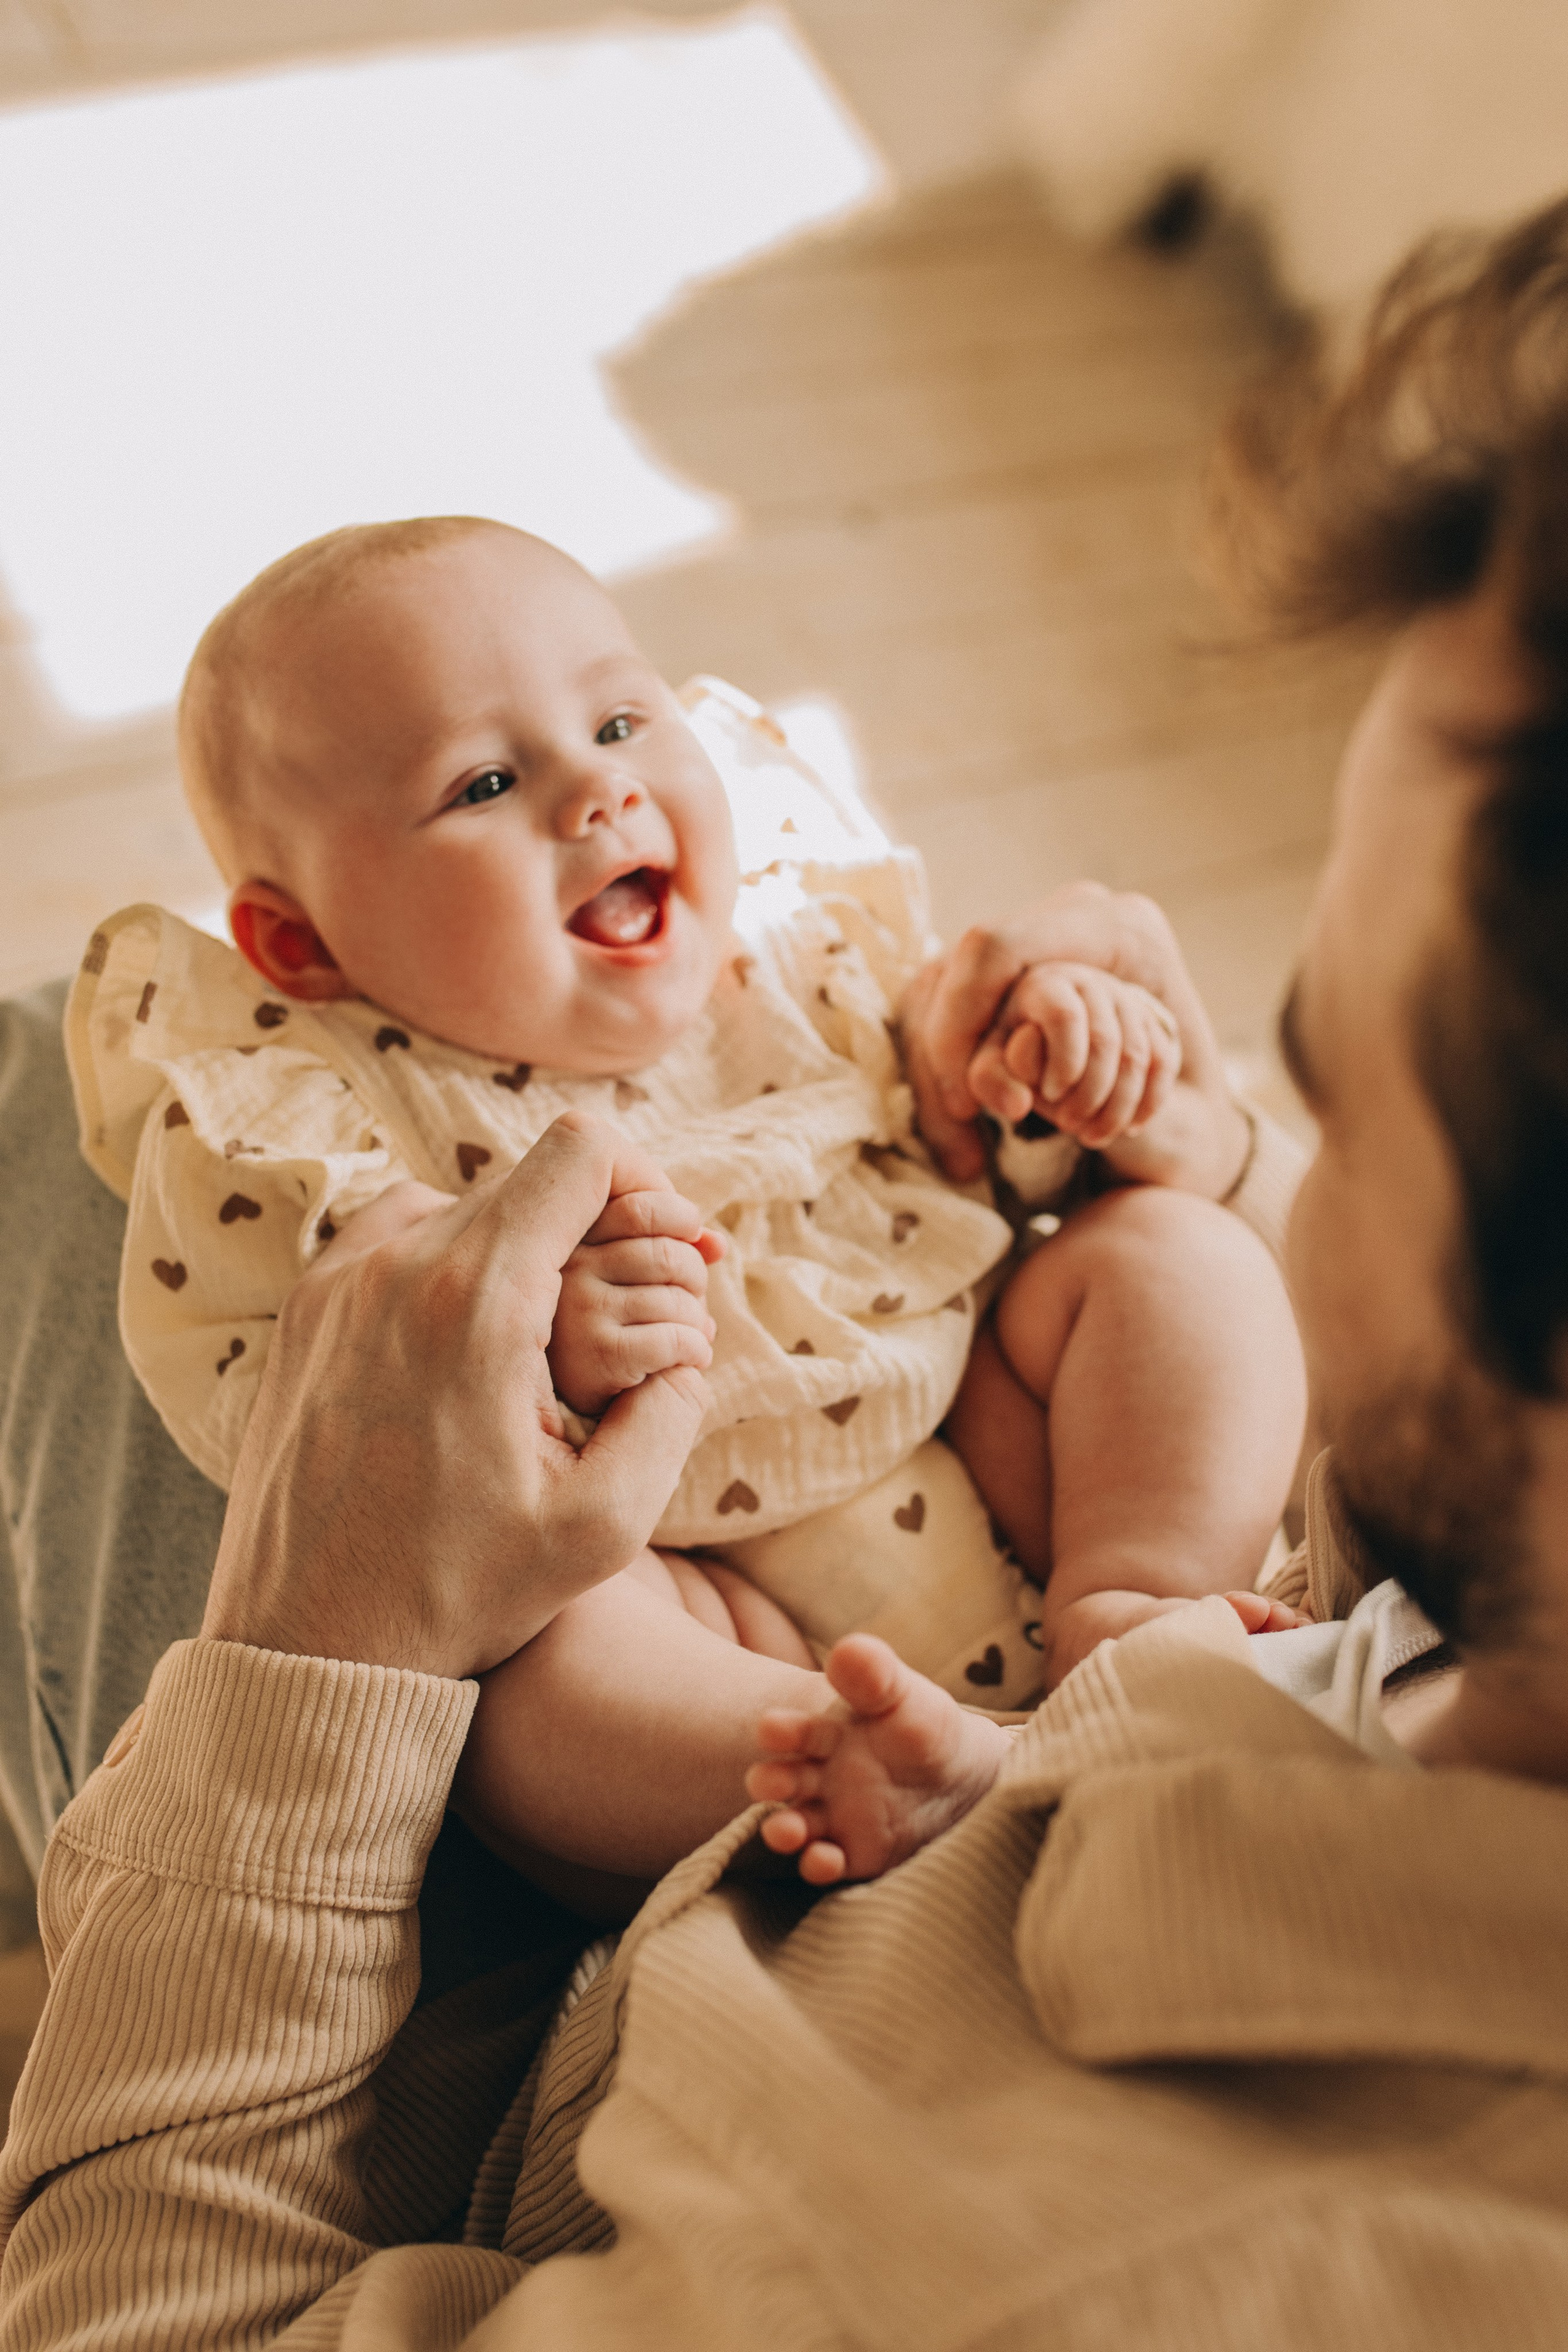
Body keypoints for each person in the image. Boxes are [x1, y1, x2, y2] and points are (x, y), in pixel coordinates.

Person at [9, 195, 1568, 2346]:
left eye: (1342, 1094)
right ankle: (1131, 1575)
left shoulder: (1061, 2273)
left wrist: (318, 1638)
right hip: (959, 1564)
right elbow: (1295, 1302)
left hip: (743, 1853)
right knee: (1145, 1267)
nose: (597, 795)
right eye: (490, 781)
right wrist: (1147, 1126)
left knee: (41, 1120)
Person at [62, 519, 1305, 1888]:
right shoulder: (315, 1124)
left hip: (992, 1443)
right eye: (482, 780)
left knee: (1162, 1252)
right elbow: (295, 1435)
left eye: (616, 719)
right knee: (533, 1673)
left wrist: (1048, 1058)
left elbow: (989, 1157)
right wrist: (525, 1368)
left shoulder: (792, 951)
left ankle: (1142, 1601)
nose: (597, 794)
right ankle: (835, 1766)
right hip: (705, 1603)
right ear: (300, 944)